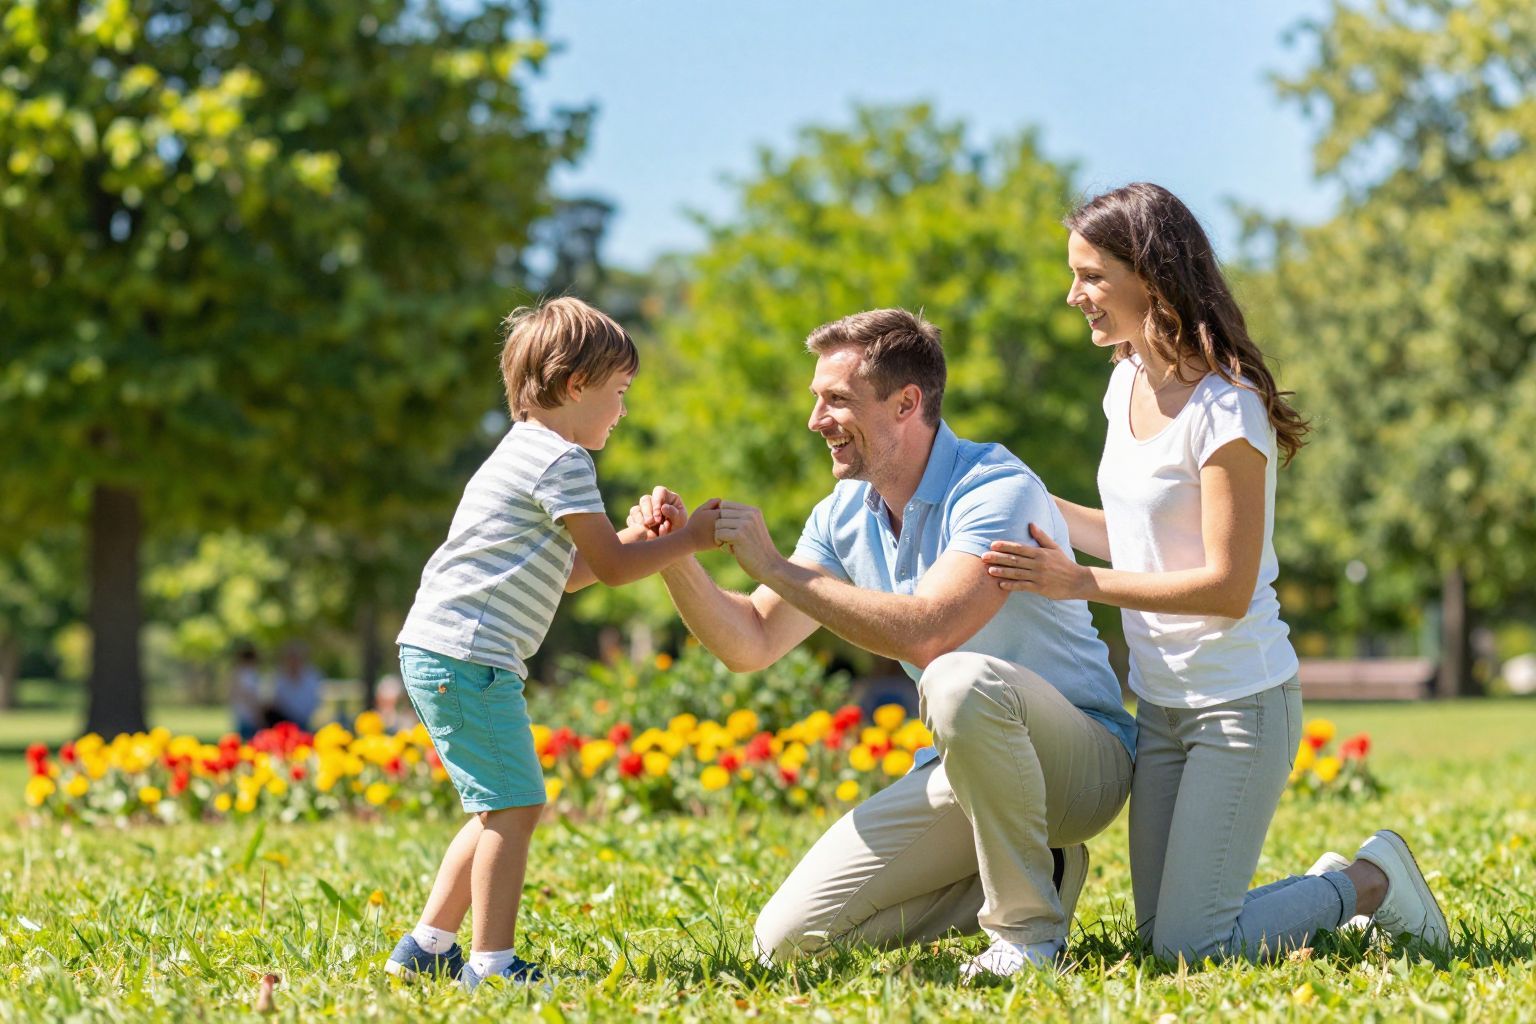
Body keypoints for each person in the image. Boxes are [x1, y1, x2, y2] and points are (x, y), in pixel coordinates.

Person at [980, 183, 1448, 963]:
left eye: (1092, 276)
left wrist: (1080, 585)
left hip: (1239, 704)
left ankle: (1369, 880)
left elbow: (1227, 586)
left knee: (1190, 949)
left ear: (1150, 276)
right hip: (1161, 706)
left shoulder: (1226, 407)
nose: (1075, 296)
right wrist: (1012, 498)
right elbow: (1133, 536)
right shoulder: (1123, 382)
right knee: (1159, 940)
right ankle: (1330, 887)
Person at [630, 308, 1137, 981]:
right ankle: (1038, 871)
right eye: (817, 399)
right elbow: (751, 641)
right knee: (785, 942)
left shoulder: (997, 489)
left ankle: (1029, 934)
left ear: (906, 403)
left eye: (836, 399)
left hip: (1082, 764)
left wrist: (777, 568)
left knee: (957, 679)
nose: (816, 420)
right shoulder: (841, 514)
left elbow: (931, 633)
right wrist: (675, 557)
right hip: (965, 771)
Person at [385, 296, 720, 990]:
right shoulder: (561, 463)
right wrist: (690, 538)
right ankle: (493, 966)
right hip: (467, 654)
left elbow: (572, 572)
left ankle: (428, 947)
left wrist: (637, 538)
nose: (622, 412)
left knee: (497, 802)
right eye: (618, 394)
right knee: (515, 805)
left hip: (448, 649)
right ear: (574, 387)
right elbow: (619, 572)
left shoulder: (525, 451)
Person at [267, 641, 323, 731]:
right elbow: (274, 700)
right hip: (283, 721)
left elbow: (314, 700)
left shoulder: (311, 676)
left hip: (302, 721)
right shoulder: (279, 676)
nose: (293, 661)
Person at [229, 643, 265, 741]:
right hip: (249, 716)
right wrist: (258, 715)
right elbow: (249, 696)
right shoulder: (248, 674)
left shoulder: (238, 673)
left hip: (240, 714)